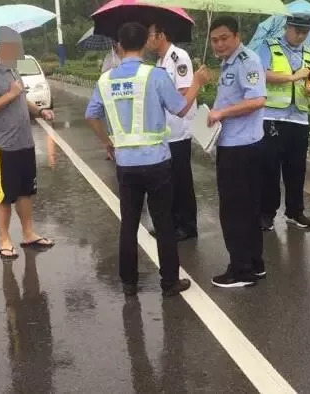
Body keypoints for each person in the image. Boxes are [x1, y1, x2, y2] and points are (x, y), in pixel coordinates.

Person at [85, 22, 209, 297]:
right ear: (143, 45)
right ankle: (169, 282)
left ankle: (129, 282)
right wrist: (197, 83)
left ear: (118, 46)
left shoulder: (105, 80)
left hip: (125, 164)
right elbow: (180, 108)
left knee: (128, 222)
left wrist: (108, 142)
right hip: (157, 163)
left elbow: (90, 115)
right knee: (164, 222)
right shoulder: (155, 76)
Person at [0, 26, 56, 259]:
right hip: (4, 146)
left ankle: (29, 233)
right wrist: (10, 95)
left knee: (25, 192)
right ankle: (4, 240)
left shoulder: (13, 70)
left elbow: (22, 99)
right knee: (4, 195)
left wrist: (40, 112)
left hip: (24, 142)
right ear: (0, 47)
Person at [206, 16, 267, 288]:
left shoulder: (247, 61)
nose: (218, 44)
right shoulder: (229, 62)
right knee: (248, 208)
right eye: (214, 39)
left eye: (224, 38)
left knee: (234, 211)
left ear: (237, 36)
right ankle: (254, 263)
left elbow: (257, 99)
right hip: (238, 144)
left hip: (240, 148)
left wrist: (221, 112)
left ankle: (241, 270)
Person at [256, 13, 310, 231]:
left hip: (299, 118)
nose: (302, 36)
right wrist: (292, 77)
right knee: (270, 169)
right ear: (288, 27)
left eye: (306, 33)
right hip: (273, 117)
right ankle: (266, 213)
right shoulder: (270, 47)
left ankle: (295, 211)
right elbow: (261, 73)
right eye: (298, 31)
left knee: (296, 168)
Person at [147, 22, 198, 241]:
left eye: (150, 35)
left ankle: (187, 225)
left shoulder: (179, 57)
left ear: (161, 35)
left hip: (178, 130)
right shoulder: (160, 61)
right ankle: (171, 223)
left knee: (181, 180)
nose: (147, 40)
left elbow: (185, 92)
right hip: (165, 132)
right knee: (168, 181)